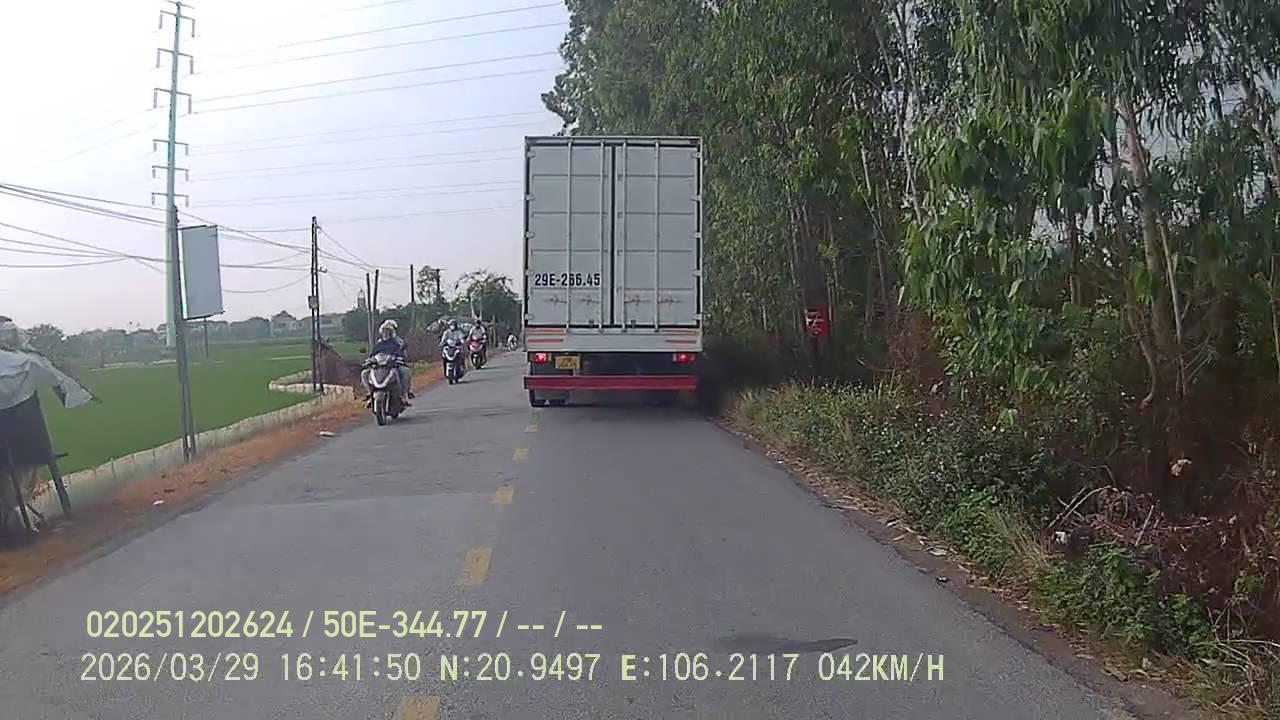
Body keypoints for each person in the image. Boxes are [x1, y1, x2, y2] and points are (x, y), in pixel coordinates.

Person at [364, 320, 412, 405]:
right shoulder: (379, 344)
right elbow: (372, 354)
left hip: (392, 366)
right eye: (384, 331)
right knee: (364, 373)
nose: (385, 333)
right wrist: (370, 360)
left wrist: (399, 358)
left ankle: (403, 395)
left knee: (405, 371)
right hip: (379, 367)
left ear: (392, 332)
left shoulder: (397, 343)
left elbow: (401, 354)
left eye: (387, 331)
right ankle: (370, 394)